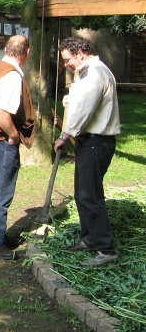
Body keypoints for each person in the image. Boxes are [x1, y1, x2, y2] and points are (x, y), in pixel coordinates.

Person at [53, 37, 120, 267]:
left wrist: (64, 135)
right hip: (86, 140)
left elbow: (85, 111)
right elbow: (76, 102)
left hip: (96, 141)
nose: (66, 65)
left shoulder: (96, 73)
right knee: (82, 193)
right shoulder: (84, 73)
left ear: (80, 52)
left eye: (67, 60)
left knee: (91, 195)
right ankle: (89, 238)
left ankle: (105, 248)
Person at [0, 35, 36, 260]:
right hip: (0, 140)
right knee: (1, 193)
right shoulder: (11, 75)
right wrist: (13, 135)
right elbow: (1, 112)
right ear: (26, 52)